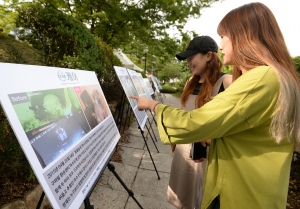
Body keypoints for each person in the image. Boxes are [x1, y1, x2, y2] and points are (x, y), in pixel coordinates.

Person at [130, 2, 300, 209]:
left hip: (241, 192)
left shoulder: (261, 78)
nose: (220, 46)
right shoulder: (280, 78)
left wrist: (154, 106)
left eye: (223, 37)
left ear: (244, 37)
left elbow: (197, 122)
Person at [167, 36, 232, 209]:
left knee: (203, 200)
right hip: (184, 151)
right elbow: (182, 113)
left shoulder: (226, 82)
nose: (188, 62)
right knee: (184, 199)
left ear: (209, 56)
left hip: (207, 155)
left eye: (191, 57)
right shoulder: (190, 82)